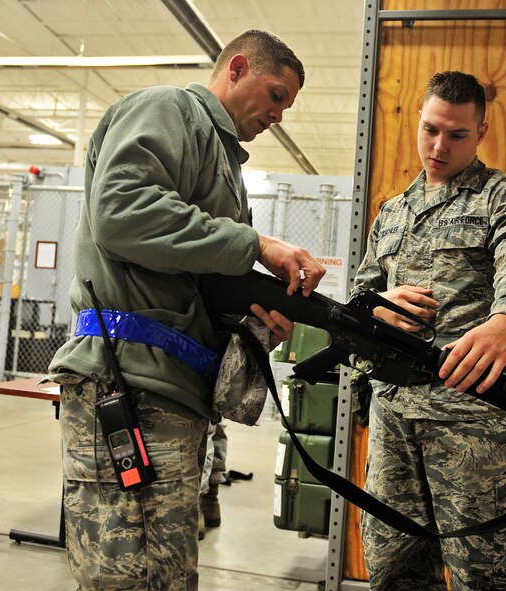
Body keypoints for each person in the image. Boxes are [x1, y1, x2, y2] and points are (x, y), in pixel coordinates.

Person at [47, 29, 325, 590]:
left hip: (169, 392)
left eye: (286, 106)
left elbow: (197, 281)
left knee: (165, 573)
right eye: (275, 95)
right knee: (124, 576)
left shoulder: (226, 166)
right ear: (238, 67)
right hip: (126, 383)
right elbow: (121, 213)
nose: (278, 114)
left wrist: (252, 326)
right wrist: (256, 246)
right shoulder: (172, 111)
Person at [352, 71, 506, 590]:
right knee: (394, 569)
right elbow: (359, 298)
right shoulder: (392, 213)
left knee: (482, 574)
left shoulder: (503, 199)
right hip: (394, 418)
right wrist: (376, 308)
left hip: (472, 426)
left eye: (457, 135)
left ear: (481, 132)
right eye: (429, 130)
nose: (439, 146)